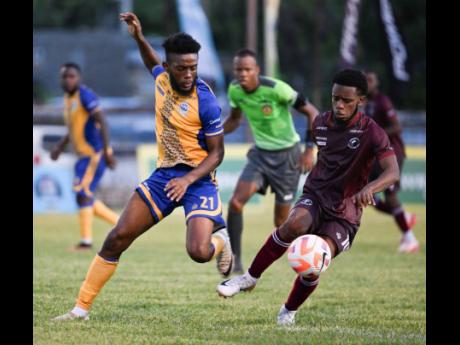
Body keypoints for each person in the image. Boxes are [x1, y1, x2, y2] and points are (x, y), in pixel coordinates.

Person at [53, 12, 232, 321]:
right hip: (164, 176)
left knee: (198, 253)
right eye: (182, 68)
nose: (189, 74)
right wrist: (138, 37)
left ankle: (220, 241)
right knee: (117, 238)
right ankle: (80, 309)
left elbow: (217, 154)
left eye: (193, 67)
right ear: (169, 67)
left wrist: (188, 180)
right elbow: (151, 60)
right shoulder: (162, 77)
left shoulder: (207, 102)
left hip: (198, 178)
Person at [217, 69, 400, 326]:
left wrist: (371, 187)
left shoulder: (372, 132)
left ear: (361, 101)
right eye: (335, 98)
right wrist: (308, 152)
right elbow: (318, 149)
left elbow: (393, 172)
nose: (339, 104)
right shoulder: (321, 123)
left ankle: (288, 311)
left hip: (346, 210)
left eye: (346, 100)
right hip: (316, 195)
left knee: (315, 257)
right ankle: (249, 278)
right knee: (293, 225)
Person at [223, 48, 319, 273]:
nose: (242, 74)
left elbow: (313, 112)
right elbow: (235, 120)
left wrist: (309, 150)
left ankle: (313, 250)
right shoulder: (235, 90)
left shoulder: (278, 89)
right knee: (236, 202)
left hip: (288, 157)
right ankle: (234, 260)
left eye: (247, 69)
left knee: (281, 224)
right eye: (238, 69)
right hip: (260, 155)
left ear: (257, 70)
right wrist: (212, 133)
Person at [51, 63, 119, 251]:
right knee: (83, 195)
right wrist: (59, 147)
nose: (68, 80)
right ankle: (123, 224)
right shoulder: (68, 99)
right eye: (65, 77)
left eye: (72, 76)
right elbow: (73, 129)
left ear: (78, 78)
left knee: (83, 194)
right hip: (83, 156)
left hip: (94, 154)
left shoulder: (85, 96)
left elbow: (102, 121)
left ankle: (86, 242)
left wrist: (106, 151)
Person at [364, 71, 419, 253]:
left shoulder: (383, 101)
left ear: (377, 83)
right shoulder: (363, 102)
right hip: (376, 155)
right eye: (365, 80)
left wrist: (376, 135)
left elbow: (397, 126)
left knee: (390, 196)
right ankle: (404, 216)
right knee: (363, 193)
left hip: (392, 154)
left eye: (370, 80)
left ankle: (410, 239)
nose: (367, 83)